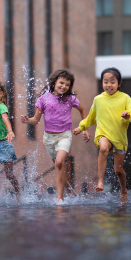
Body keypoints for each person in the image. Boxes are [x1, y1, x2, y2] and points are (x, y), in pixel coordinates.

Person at [21, 69, 89, 204]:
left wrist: (85, 129)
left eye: (67, 85)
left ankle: (59, 199)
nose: (64, 86)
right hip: (49, 138)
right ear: (54, 82)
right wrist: (27, 120)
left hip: (64, 136)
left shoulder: (70, 99)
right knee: (59, 167)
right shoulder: (43, 99)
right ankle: (69, 189)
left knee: (59, 163)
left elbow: (82, 110)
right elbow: (36, 119)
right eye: (61, 83)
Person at [73, 67, 131, 203]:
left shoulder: (125, 98)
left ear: (119, 83)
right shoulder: (98, 99)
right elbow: (91, 118)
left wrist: (128, 115)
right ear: (102, 83)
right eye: (105, 81)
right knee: (103, 148)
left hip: (119, 138)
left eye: (112, 82)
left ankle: (123, 189)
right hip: (103, 134)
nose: (109, 85)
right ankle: (100, 181)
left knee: (118, 171)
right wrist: (80, 127)